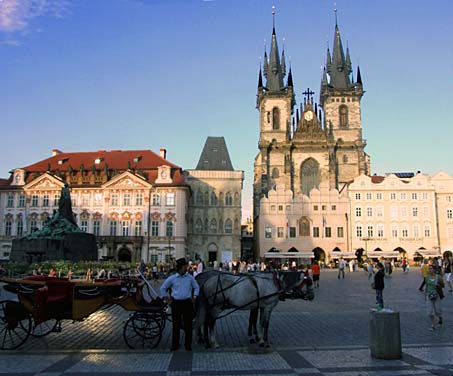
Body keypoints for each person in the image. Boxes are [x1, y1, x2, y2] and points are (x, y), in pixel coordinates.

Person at [160, 257, 199, 351]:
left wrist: (194, 297)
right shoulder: (172, 278)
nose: (186, 268)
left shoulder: (190, 278)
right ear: (180, 268)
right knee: (176, 325)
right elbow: (163, 288)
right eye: (185, 266)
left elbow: (197, 287)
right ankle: (175, 345)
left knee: (188, 325)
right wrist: (167, 299)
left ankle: (188, 345)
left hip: (187, 303)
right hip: (176, 303)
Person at [425, 264, 444, 331]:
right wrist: (425, 295)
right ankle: (433, 325)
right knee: (430, 311)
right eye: (429, 269)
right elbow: (426, 286)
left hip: (437, 295)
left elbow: (443, 285)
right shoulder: (427, 277)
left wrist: (438, 284)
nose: (430, 270)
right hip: (429, 295)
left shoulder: (438, 277)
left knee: (437, 310)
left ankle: (440, 317)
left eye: (431, 269)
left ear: (434, 270)